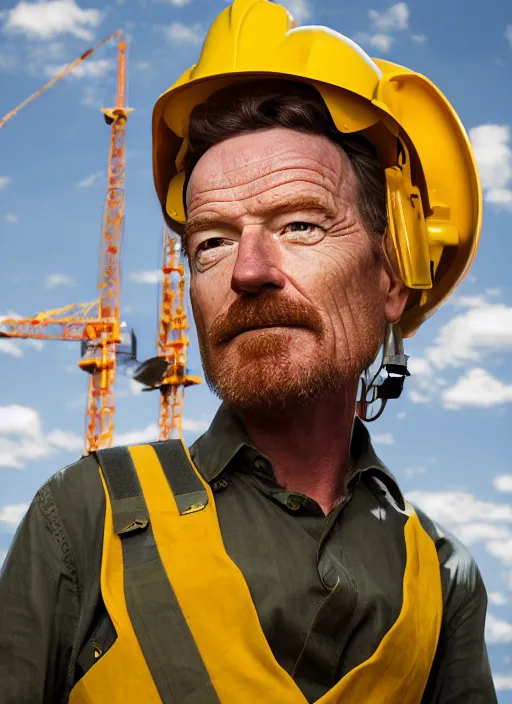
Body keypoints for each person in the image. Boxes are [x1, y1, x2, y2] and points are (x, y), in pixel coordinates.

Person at [0, 1, 496, 702]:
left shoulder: (441, 579)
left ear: (391, 277)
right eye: (212, 241)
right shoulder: (86, 516)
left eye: (299, 223)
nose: (249, 269)